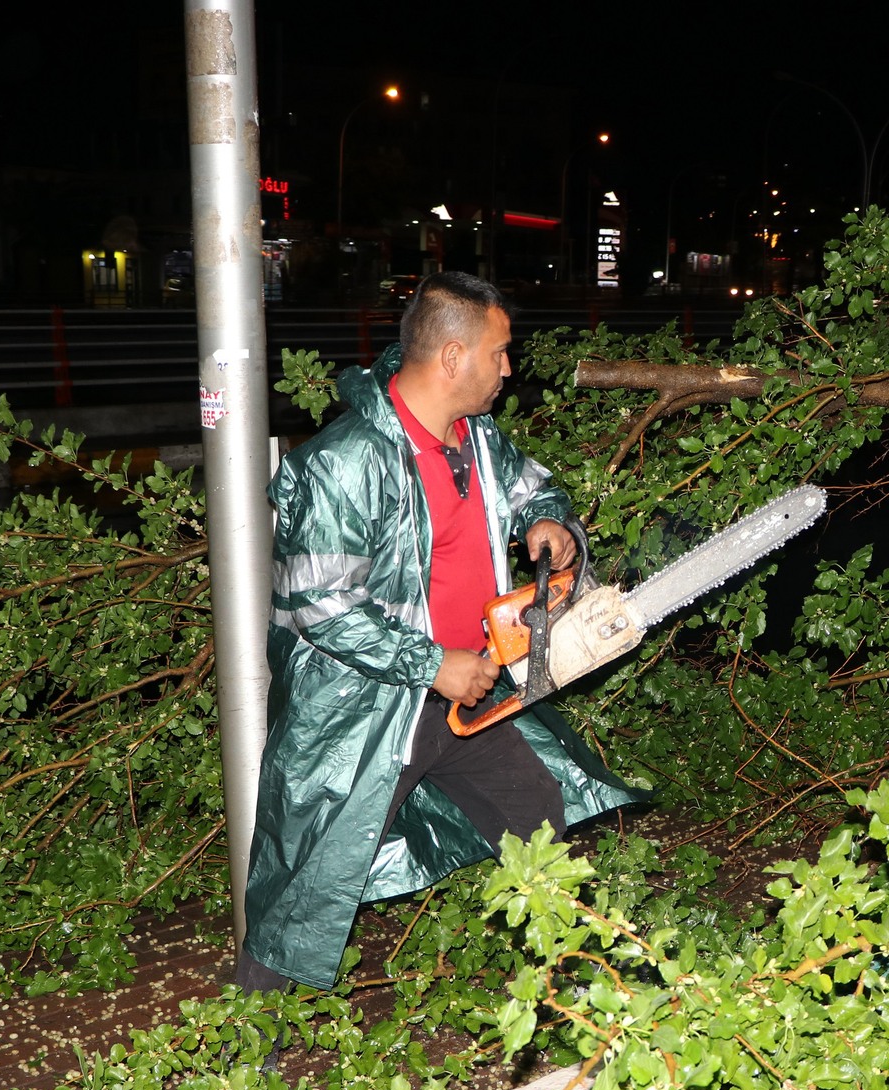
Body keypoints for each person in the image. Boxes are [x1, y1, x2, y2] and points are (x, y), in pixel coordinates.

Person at [236, 272, 639, 993]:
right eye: (500, 351)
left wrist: (547, 521)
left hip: (466, 694)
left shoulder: (476, 440)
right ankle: (247, 1052)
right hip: (362, 713)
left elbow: (534, 489)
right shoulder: (343, 462)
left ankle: (571, 992)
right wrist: (430, 663)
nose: (509, 368)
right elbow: (318, 605)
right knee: (307, 879)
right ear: (453, 357)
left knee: (536, 814)